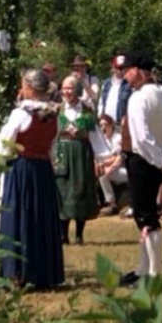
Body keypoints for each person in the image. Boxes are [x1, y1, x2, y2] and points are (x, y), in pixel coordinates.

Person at [0, 69, 65, 289]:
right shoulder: (54, 116)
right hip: (43, 170)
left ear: (30, 88)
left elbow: (4, 144)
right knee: (41, 219)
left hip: (22, 168)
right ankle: (44, 272)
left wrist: (0, 165)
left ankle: (17, 272)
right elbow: (52, 146)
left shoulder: (21, 113)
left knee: (19, 216)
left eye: (23, 85)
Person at [115, 52, 162, 286]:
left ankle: (153, 274)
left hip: (142, 160)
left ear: (138, 72)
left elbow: (141, 137)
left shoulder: (138, 98)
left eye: (127, 70)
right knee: (145, 216)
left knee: (146, 217)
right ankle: (144, 268)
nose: (125, 75)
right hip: (154, 160)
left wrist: (159, 160)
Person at [54, 74, 100, 247]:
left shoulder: (86, 108)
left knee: (81, 190)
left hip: (81, 152)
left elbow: (94, 133)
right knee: (63, 190)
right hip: (63, 151)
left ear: (77, 90)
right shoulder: (58, 109)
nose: (67, 92)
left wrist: (101, 157)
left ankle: (79, 235)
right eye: (65, 88)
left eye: (70, 88)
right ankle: (63, 235)